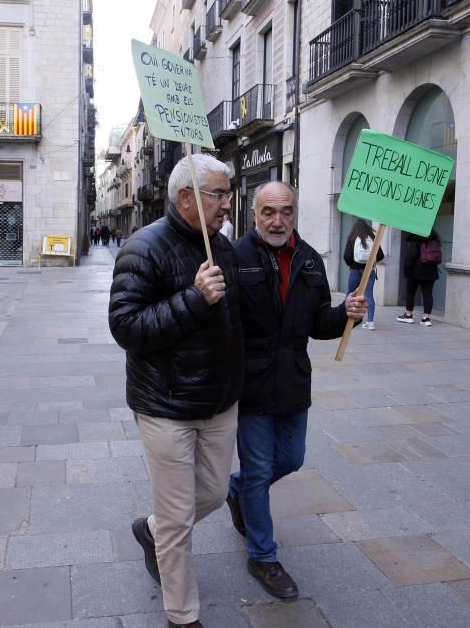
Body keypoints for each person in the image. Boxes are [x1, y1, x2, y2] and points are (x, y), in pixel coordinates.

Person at [109, 153, 243, 628]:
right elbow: (127, 328)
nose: (228, 203)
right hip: (166, 406)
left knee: (211, 493)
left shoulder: (223, 249)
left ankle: (151, 531)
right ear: (186, 197)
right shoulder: (143, 248)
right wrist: (192, 298)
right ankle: (182, 614)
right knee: (180, 518)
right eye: (219, 194)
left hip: (219, 402)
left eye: (228, 193)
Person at [227, 182, 366, 600]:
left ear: (295, 214)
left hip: (293, 383)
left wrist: (347, 315)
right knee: (257, 472)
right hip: (251, 385)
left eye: (286, 211)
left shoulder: (308, 260)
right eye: (268, 211)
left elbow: (320, 323)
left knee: (291, 458)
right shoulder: (235, 257)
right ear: (254, 215)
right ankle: (263, 556)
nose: (277, 220)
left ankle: (236, 491)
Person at [343, 219, 385, 330]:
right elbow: (381, 255)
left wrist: (352, 264)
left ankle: (345, 317)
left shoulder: (352, 238)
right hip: (369, 270)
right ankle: (370, 322)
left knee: (350, 293)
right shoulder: (372, 239)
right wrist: (372, 261)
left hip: (355, 270)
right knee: (369, 295)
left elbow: (347, 256)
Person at [397, 230, 441, 327]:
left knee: (410, 292)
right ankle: (426, 318)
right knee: (428, 294)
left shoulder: (416, 240)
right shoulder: (435, 240)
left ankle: (408, 316)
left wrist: (406, 271)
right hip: (431, 271)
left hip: (416, 272)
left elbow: (410, 257)